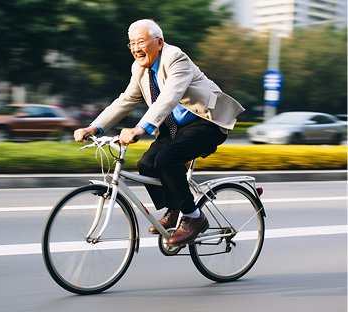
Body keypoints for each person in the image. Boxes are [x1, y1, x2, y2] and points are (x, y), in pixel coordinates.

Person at [74, 19, 245, 247]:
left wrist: (140, 128)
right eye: (132, 44)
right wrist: (94, 127)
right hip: (175, 128)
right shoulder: (139, 69)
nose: (136, 48)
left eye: (141, 42)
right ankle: (174, 209)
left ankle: (194, 218)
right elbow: (125, 100)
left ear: (159, 42)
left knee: (167, 159)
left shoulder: (175, 57)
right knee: (147, 163)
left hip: (206, 122)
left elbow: (169, 96)